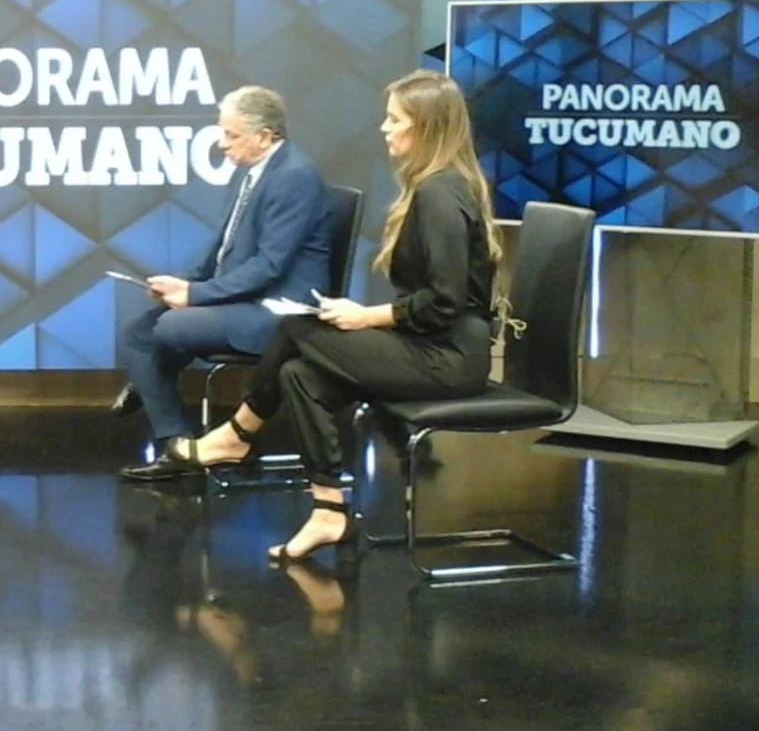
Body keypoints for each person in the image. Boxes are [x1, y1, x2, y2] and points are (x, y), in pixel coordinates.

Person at [134, 69, 506, 563]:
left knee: (296, 328)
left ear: (426, 127)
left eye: (395, 119)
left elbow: (445, 302)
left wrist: (366, 316)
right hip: (430, 344)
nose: (384, 128)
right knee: (298, 374)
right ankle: (329, 512)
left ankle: (238, 433)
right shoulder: (432, 186)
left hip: (450, 358)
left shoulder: (441, 193)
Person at [113, 85, 331, 476]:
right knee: (138, 334)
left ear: (265, 136)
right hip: (247, 298)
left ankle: (151, 381)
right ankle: (177, 446)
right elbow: (223, 248)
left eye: (231, 135)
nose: (221, 144)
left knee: (170, 328)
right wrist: (184, 284)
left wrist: (196, 295)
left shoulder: (295, 177)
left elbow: (269, 266)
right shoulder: (249, 171)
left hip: (280, 311)